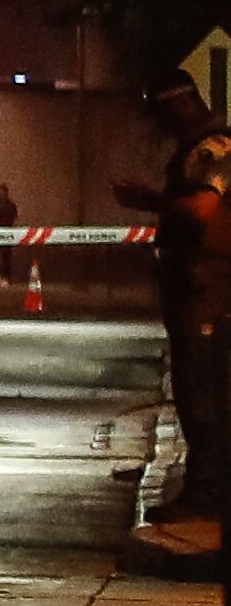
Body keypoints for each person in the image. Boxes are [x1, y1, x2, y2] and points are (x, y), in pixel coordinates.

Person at [115, 71, 231, 521]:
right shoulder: (205, 145)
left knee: (203, 393)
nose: (161, 127)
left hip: (208, 291)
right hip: (200, 288)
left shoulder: (212, 148)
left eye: (163, 114)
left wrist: (152, 201)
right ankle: (207, 490)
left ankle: (207, 494)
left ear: (180, 104)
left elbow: (202, 209)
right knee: (201, 391)